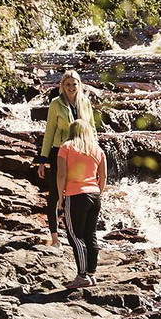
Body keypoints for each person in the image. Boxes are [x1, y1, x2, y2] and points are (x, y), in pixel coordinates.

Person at [37, 70, 96, 246]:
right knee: (55, 194)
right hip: (60, 152)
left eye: (74, 84)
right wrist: (43, 159)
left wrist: (95, 151)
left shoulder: (85, 102)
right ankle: (55, 238)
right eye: (68, 84)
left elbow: (92, 128)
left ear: (80, 85)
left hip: (81, 153)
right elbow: (49, 132)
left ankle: (77, 236)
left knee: (77, 193)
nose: (71, 87)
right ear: (62, 86)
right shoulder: (56, 104)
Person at [56, 120, 106, 289]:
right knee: (90, 234)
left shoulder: (66, 147)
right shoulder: (97, 150)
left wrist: (60, 196)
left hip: (75, 195)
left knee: (75, 236)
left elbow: (61, 174)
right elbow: (103, 176)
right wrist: (99, 191)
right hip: (94, 195)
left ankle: (82, 275)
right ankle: (91, 274)